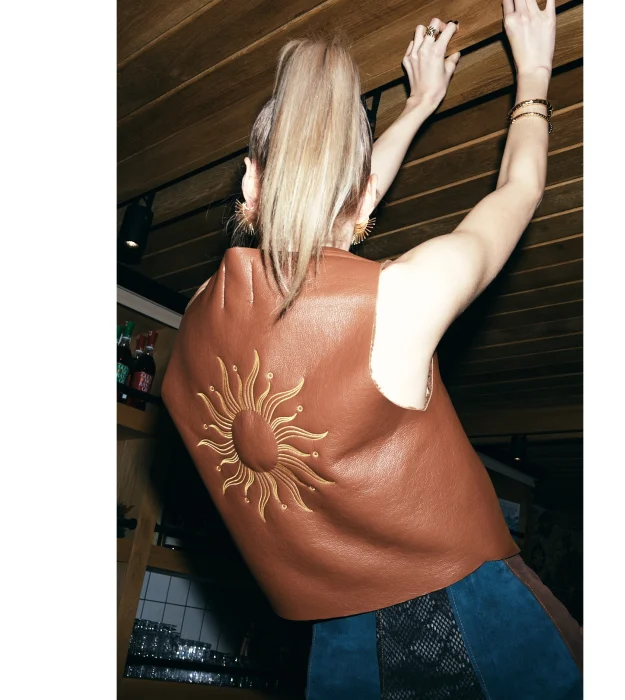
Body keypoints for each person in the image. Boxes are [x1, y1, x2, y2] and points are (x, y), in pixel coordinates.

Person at [162, 1, 583, 697]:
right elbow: (520, 187)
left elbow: (330, 215)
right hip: (478, 622)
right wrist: (535, 72)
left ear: (249, 181)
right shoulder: (401, 299)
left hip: (339, 650)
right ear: (362, 204)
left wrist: (418, 107)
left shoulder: (198, 317)